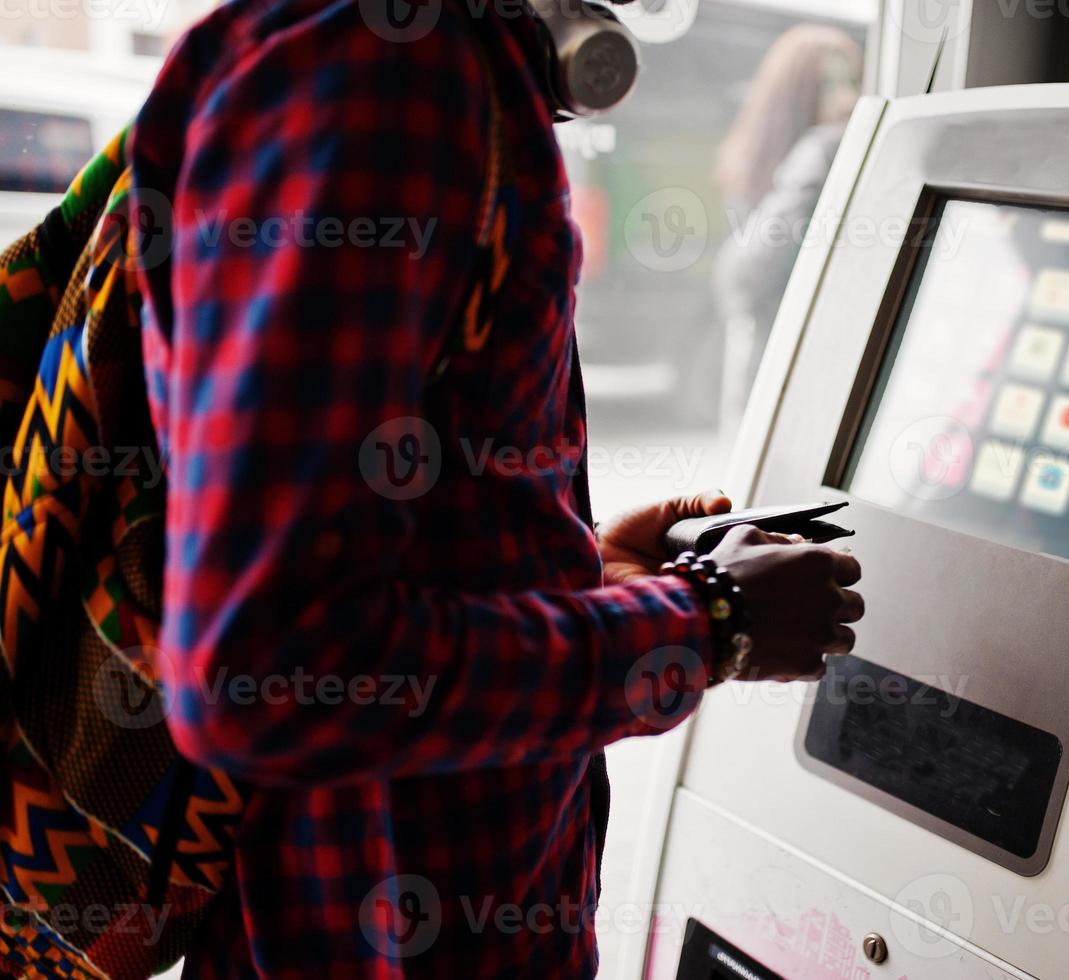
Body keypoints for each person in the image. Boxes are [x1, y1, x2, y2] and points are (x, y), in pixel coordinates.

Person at [126, 0, 863, 975]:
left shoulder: (454, 59)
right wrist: (700, 623)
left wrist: (579, 574)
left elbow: (382, 537)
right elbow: (262, 671)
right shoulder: (382, 67)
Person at [713, 24, 863, 410]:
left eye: (852, 82)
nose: (847, 98)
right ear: (794, 96)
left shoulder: (842, 162)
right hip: (774, 376)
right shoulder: (803, 163)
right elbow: (742, 280)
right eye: (829, 85)